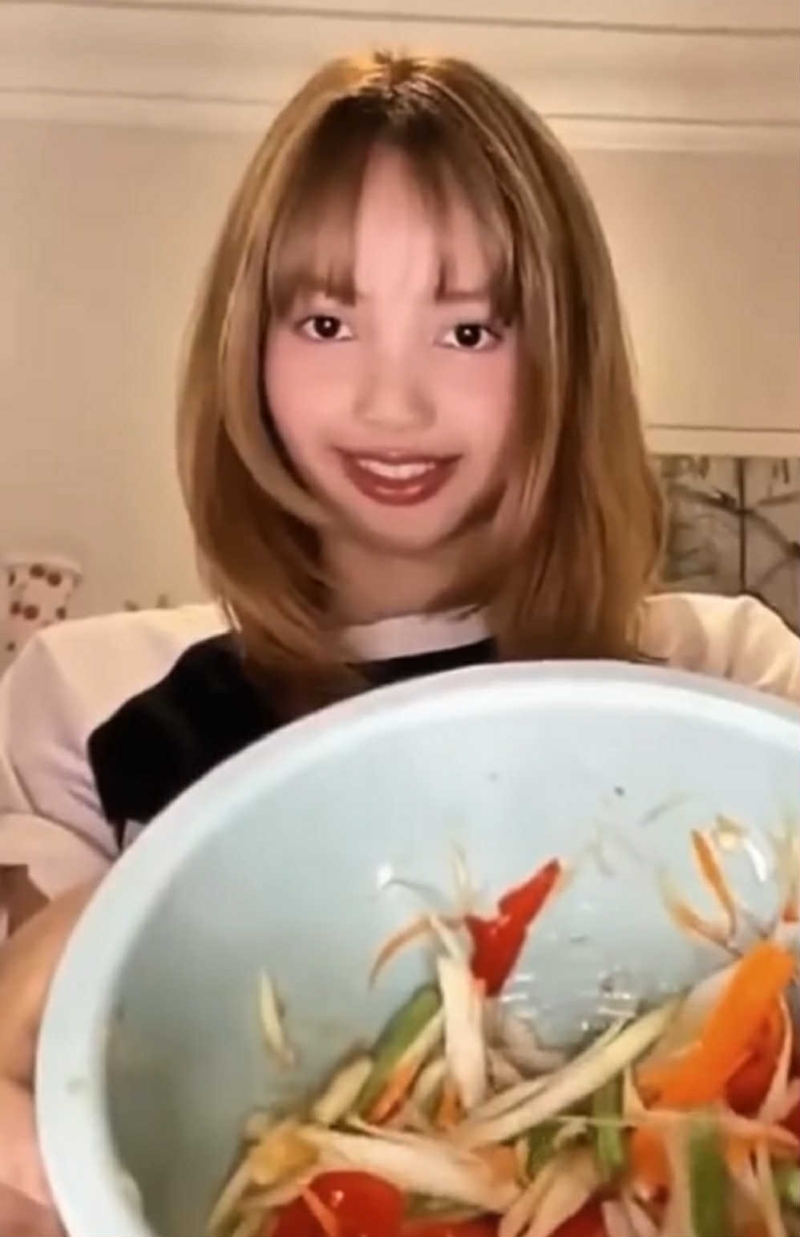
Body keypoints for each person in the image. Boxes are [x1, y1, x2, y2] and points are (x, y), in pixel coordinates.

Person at [0, 50, 798, 1235]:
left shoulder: (723, 671)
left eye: (469, 331)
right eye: (326, 321)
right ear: (248, 345)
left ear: (563, 357)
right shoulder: (87, 693)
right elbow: (35, 1099)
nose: (391, 403)